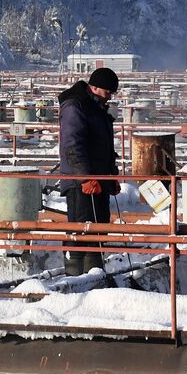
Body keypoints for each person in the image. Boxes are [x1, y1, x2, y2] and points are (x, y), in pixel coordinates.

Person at [58, 67, 120, 275]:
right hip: (80, 184)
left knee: (97, 231)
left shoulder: (96, 107)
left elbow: (103, 146)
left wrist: (111, 176)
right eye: (106, 92)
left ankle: (94, 278)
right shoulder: (76, 106)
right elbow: (73, 146)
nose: (109, 96)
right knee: (80, 232)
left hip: (98, 180)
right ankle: (76, 281)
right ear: (94, 87)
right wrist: (85, 178)